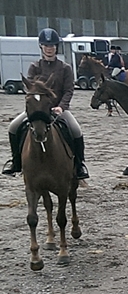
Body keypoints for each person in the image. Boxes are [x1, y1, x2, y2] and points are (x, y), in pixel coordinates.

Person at [3, 28, 89, 180]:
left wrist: (61, 107)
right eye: (46, 45)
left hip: (58, 109)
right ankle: (16, 162)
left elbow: (68, 90)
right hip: (38, 110)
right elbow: (31, 89)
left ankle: (79, 165)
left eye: (52, 45)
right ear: (41, 47)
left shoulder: (65, 68)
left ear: (56, 47)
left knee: (76, 130)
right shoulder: (35, 67)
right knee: (13, 127)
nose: (49, 48)